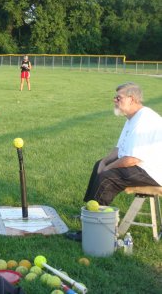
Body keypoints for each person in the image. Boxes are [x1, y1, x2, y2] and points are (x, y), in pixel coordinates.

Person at [67, 82, 162, 241]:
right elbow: (119, 149)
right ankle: (90, 211)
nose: (114, 100)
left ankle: (93, 228)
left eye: (119, 97)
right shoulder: (132, 118)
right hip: (139, 165)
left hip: (152, 171)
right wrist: (104, 162)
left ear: (131, 99)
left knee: (108, 177)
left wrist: (107, 168)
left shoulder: (145, 120)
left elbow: (131, 159)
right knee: (99, 165)